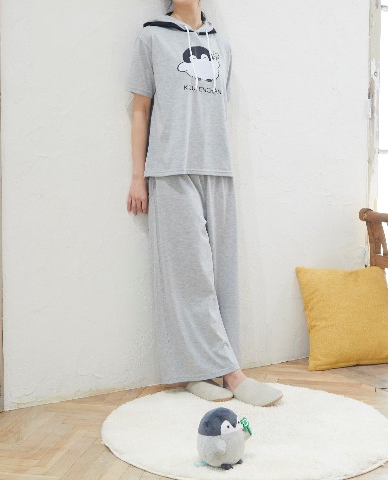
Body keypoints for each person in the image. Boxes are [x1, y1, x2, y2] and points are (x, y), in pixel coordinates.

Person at [125, 0, 283, 407]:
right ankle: (231, 374)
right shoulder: (152, 36)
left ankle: (201, 372)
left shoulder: (221, 45)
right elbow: (140, 110)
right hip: (171, 169)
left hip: (218, 168)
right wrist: (138, 176)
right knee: (189, 276)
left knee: (221, 276)